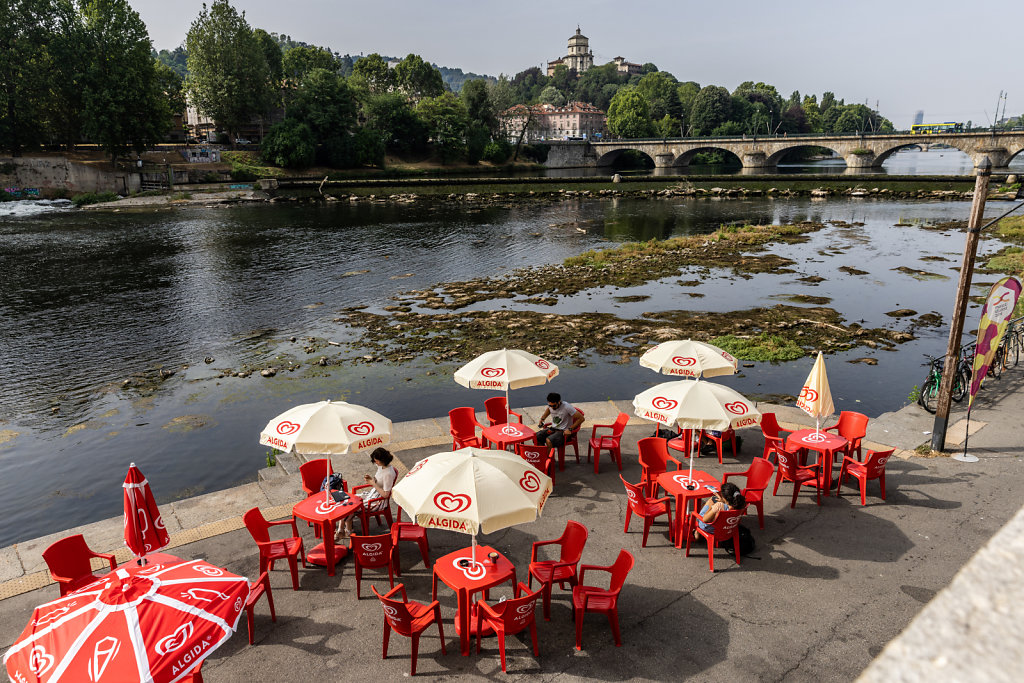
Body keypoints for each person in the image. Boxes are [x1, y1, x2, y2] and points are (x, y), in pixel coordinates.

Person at [337, 447, 397, 542]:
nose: (375, 462)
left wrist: (373, 483)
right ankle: (344, 530)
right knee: (347, 500)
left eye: (376, 460)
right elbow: (377, 480)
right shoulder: (381, 467)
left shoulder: (388, 474)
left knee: (351, 507)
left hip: (378, 501)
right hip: (372, 494)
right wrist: (372, 479)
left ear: (381, 460)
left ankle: (344, 531)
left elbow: (386, 494)